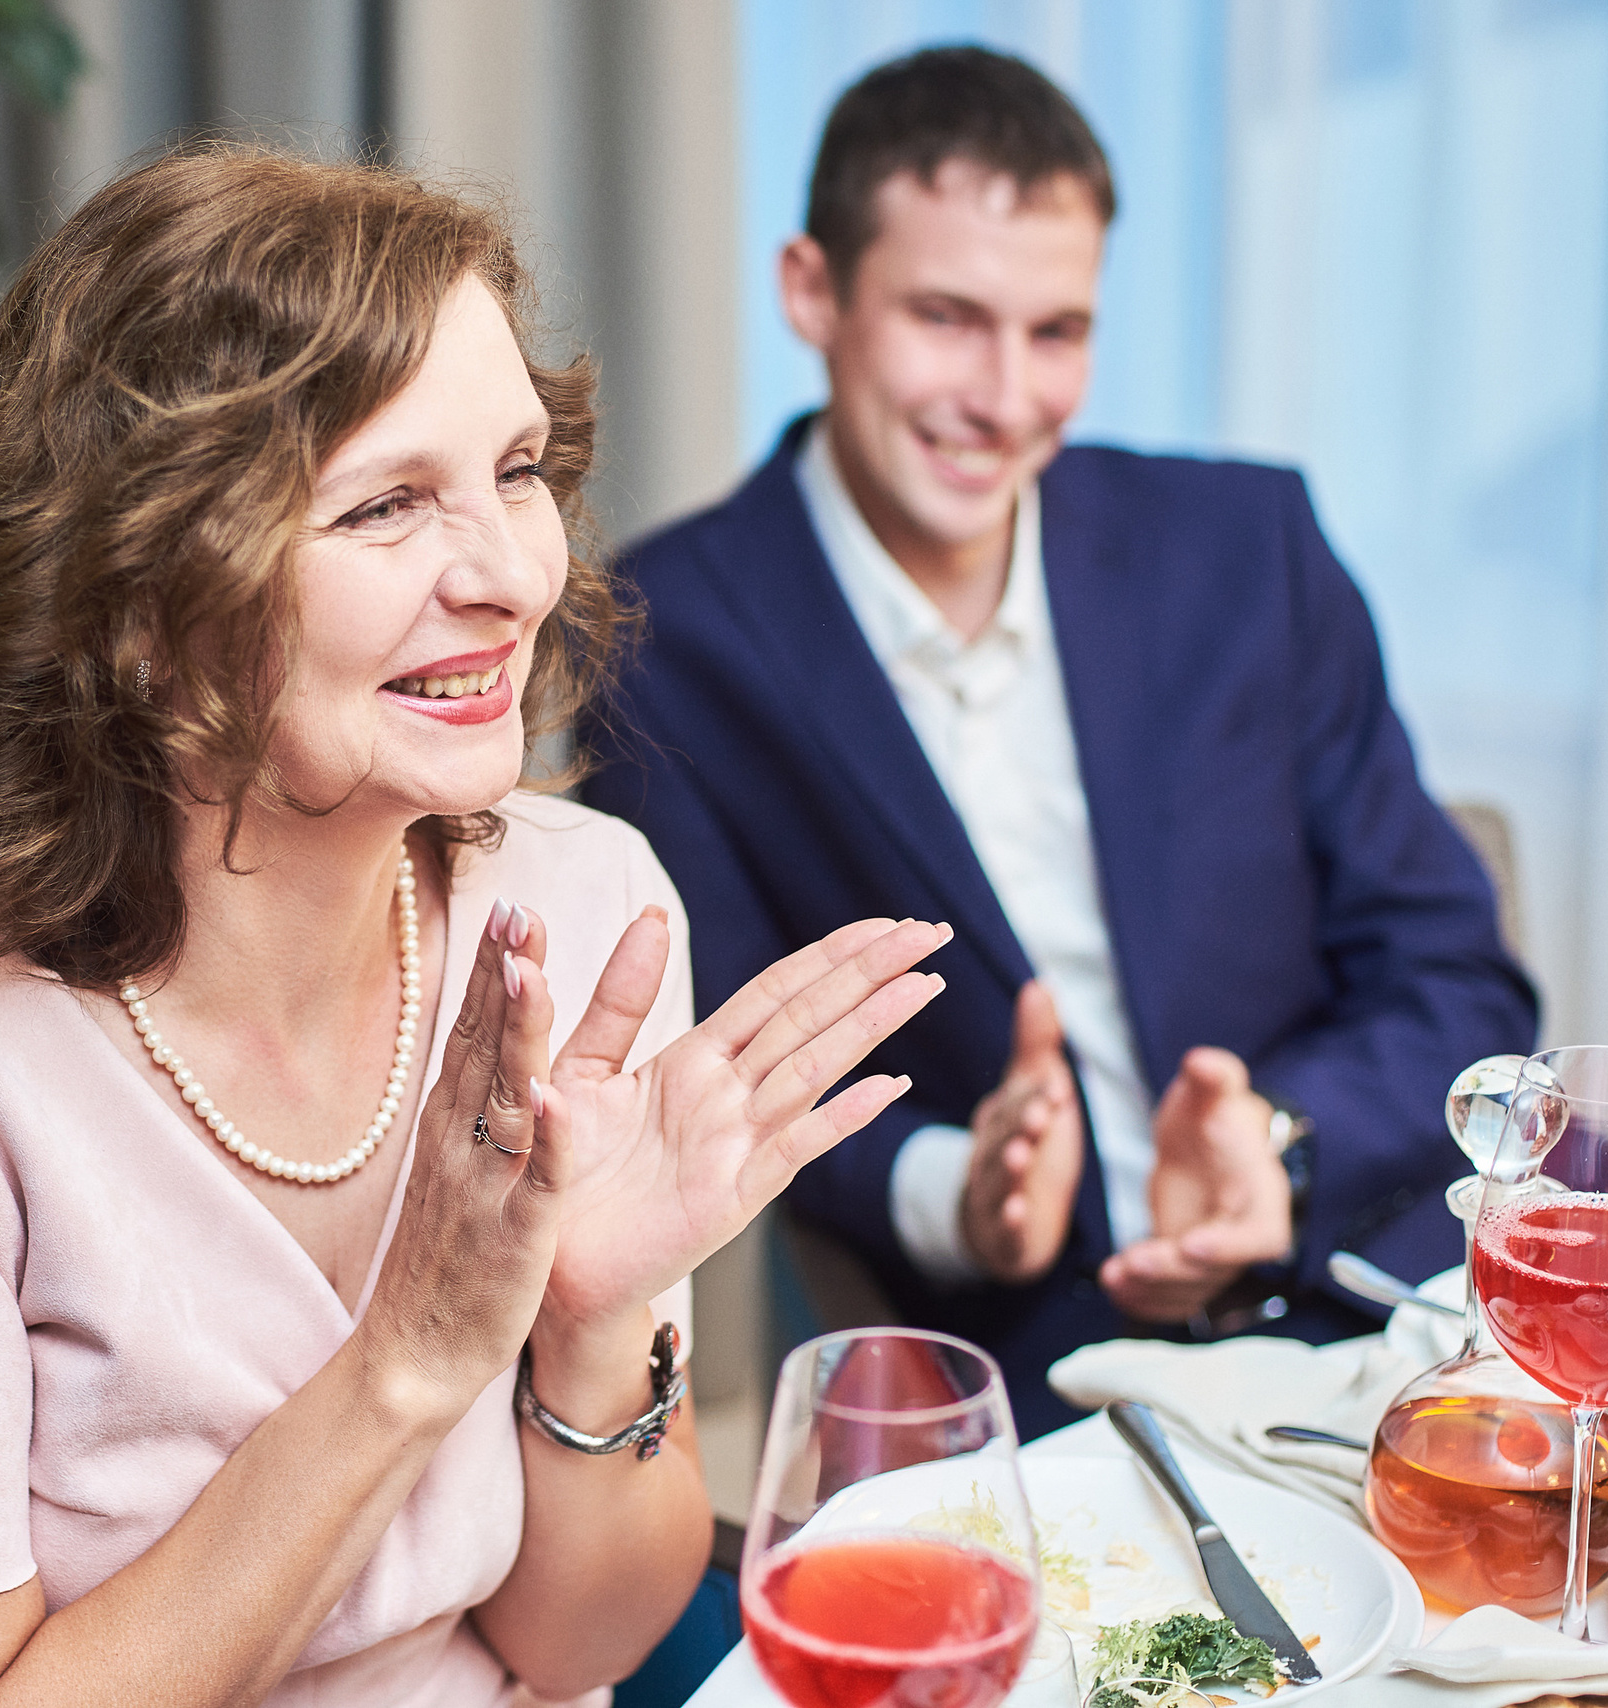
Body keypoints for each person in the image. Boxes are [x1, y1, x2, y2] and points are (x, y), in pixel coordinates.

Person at [0, 147, 949, 1708]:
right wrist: (408, 1359)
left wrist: (588, 1321)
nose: (512, 576)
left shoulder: (588, 909)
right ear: (133, 607)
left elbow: (581, 1648)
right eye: (386, 505)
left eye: (517, 471)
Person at [580, 46, 1538, 1433]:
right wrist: (960, 1193)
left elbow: (1458, 976)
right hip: (1034, 1379)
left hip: (1387, 1293)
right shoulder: (664, 639)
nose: (1005, 395)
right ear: (812, 292)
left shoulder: (1248, 550)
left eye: (1057, 332)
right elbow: (715, 1074)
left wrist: (1279, 1140)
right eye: (947, 317)